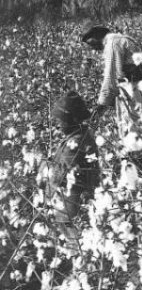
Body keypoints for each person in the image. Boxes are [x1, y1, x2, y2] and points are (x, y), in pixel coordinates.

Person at [81, 26, 142, 128]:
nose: (93, 48)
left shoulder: (113, 44)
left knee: (136, 131)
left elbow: (111, 78)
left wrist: (99, 108)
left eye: (91, 43)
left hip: (139, 90)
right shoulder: (123, 39)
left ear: (97, 36)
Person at [39, 91, 100, 224]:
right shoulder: (78, 137)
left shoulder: (77, 143)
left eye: (61, 121)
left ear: (72, 120)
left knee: (68, 241)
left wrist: (45, 166)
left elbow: (61, 174)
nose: (58, 124)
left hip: (68, 209)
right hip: (65, 207)